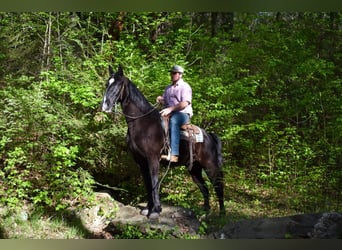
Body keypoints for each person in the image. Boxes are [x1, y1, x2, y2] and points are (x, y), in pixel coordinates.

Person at [156, 65, 193, 163]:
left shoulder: (185, 86)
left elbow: (185, 103)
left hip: (182, 114)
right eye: (171, 73)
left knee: (174, 120)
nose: (171, 75)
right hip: (170, 112)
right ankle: (161, 149)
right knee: (154, 120)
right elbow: (166, 102)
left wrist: (171, 109)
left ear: (180, 75)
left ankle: (174, 154)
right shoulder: (168, 88)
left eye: (174, 73)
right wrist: (161, 99)